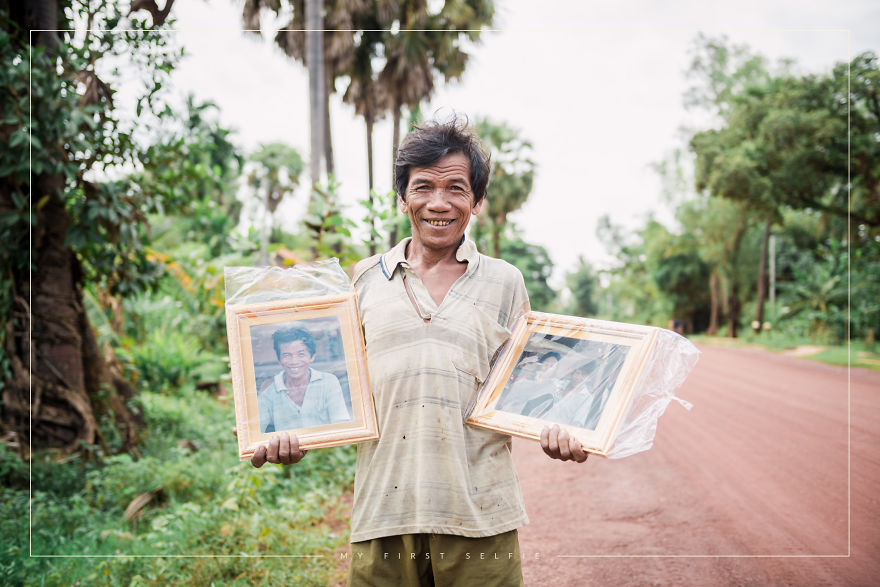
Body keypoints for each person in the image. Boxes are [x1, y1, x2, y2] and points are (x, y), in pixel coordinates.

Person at [245, 117, 587, 586]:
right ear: (403, 198)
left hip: (481, 517)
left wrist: (562, 427)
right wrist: (293, 436)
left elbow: (527, 387)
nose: (438, 203)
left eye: (456, 188)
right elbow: (340, 390)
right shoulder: (362, 281)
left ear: (477, 202)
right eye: (423, 187)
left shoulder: (506, 282)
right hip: (382, 514)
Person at [257, 325, 351, 433]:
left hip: (325, 448)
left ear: (312, 357)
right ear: (279, 359)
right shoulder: (269, 390)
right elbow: (256, 431)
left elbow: (341, 425)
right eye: (287, 355)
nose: (294, 361)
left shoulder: (329, 382)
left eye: (301, 354)